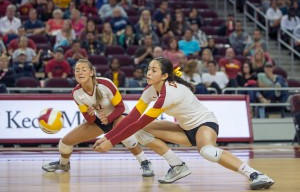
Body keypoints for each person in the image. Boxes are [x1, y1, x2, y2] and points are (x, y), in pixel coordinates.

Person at [93, 57, 275, 190]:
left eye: (154, 70)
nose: (148, 72)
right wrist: (107, 137)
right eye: (148, 68)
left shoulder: (169, 94)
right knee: (136, 128)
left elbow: (138, 123)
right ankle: (177, 165)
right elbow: (132, 119)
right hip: (185, 129)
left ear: (164, 75)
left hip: (205, 124)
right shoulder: (150, 91)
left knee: (207, 151)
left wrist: (110, 142)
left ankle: (255, 174)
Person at [42, 59, 154, 177]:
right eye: (77, 70)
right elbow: (90, 120)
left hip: (120, 115)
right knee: (64, 142)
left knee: (125, 136)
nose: (80, 72)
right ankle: (63, 164)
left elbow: (120, 107)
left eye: (83, 70)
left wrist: (108, 118)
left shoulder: (105, 84)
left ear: (91, 72)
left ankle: (145, 162)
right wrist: (90, 115)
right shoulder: (76, 93)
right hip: (101, 120)